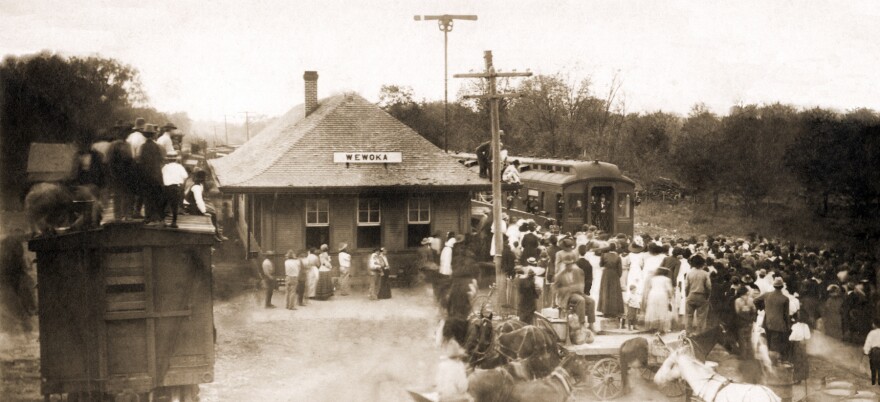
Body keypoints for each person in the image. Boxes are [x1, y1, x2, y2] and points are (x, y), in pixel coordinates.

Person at [183, 170, 227, 242]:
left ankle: (217, 234)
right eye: (205, 177)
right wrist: (204, 211)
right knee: (212, 215)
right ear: (201, 178)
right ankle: (215, 235)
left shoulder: (200, 185)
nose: (206, 179)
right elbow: (199, 201)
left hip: (193, 205)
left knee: (213, 212)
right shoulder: (196, 187)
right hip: (189, 207)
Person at [756, 277, 791, 362]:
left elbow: (756, 300)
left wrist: (763, 308)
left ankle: (768, 360)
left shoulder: (767, 294)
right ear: (782, 287)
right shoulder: (785, 299)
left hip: (767, 322)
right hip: (778, 324)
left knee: (768, 341)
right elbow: (786, 315)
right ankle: (773, 362)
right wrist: (788, 326)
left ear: (774, 286)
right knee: (775, 344)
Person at [685, 254, 712, 334]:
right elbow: (709, 287)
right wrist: (707, 296)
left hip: (691, 295)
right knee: (701, 317)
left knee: (689, 316)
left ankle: (688, 333)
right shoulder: (705, 274)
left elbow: (686, 286)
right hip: (702, 296)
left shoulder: (689, 273)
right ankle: (699, 334)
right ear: (702, 263)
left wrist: (687, 295)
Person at [161, 151, 187, 228]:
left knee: (164, 204)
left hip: (166, 187)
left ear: (167, 159)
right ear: (176, 159)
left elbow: (161, 176)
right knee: (175, 205)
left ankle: (163, 221)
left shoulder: (165, 167)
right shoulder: (179, 167)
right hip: (176, 187)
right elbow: (185, 176)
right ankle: (174, 222)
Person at [598, 243, 625, 319]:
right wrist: (618, 276)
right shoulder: (618, 257)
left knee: (605, 291)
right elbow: (620, 270)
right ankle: (614, 311)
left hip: (606, 274)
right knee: (614, 292)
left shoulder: (604, 255)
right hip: (614, 274)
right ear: (615, 248)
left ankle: (605, 310)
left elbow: (601, 265)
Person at [644, 267, 674, 333]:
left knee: (653, 310)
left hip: (652, 294)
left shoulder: (653, 279)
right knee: (662, 311)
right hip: (662, 295)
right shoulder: (666, 279)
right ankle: (661, 329)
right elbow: (669, 289)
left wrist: (646, 297)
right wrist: (670, 297)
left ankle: (652, 327)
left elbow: (649, 288)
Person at [734, 286, 757, 359]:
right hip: (749, 321)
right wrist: (750, 319)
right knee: (749, 338)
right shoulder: (751, 300)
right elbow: (754, 310)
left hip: (741, 321)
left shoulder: (737, 300)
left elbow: (737, 312)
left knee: (742, 339)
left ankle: (743, 355)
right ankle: (751, 355)